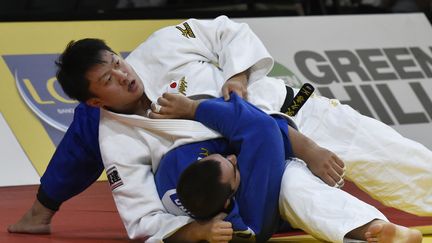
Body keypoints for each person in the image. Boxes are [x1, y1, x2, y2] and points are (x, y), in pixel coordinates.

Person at [8, 15, 432, 238]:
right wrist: (196, 231)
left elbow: (228, 32)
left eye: (117, 63)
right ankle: (372, 232)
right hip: (265, 155)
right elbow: (142, 216)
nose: (124, 75)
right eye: (108, 80)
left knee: (399, 158)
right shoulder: (117, 137)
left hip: (298, 113)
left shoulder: (163, 43)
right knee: (299, 196)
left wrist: (239, 76)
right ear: (94, 101)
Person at [153, 92, 422, 243]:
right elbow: (153, 232)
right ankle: (371, 230)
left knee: (392, 155)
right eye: (233, 169)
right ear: (228, 201)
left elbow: (260, 127)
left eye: (227, 159)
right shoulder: (244, 218)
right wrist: (201, 232)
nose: (234, 159)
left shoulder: (177, 160)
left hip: (289, 115)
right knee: (294, 187)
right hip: (265, 166)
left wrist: (195, 108)